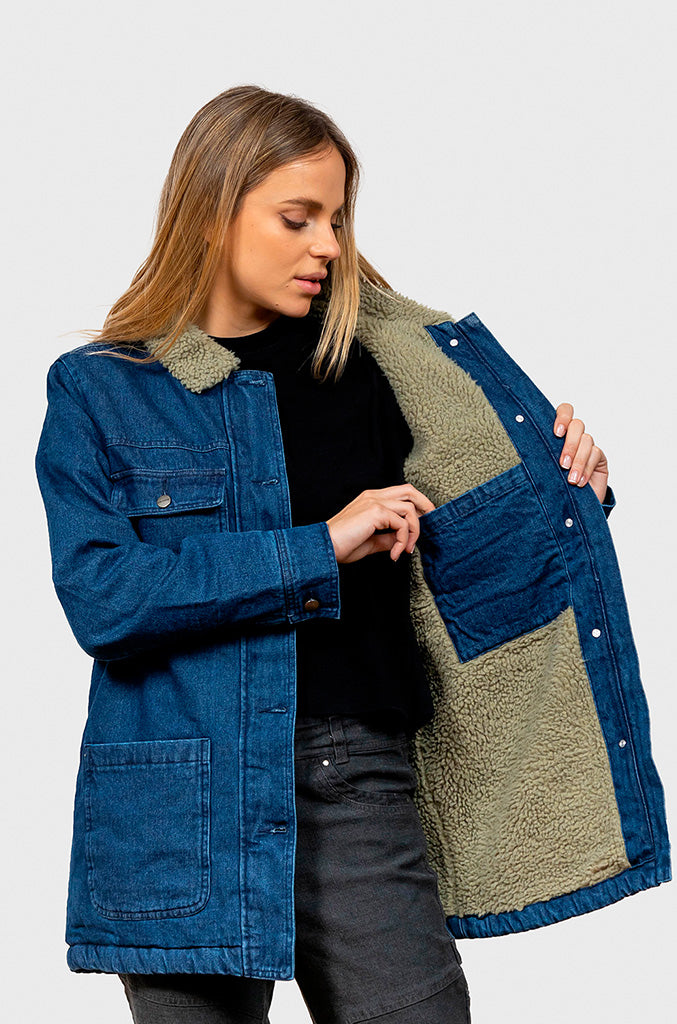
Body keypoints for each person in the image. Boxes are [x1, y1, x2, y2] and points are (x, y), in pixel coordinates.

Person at [35, 85, 670, 1024]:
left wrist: (568, 487)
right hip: (177, 800)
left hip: (353, 776)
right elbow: (105, 598)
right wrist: (318, 548)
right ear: (211, 212)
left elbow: (475, 567)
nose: (328, 246)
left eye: (335, 220)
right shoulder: (103, 389)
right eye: (297, 219)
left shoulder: (374, 368)